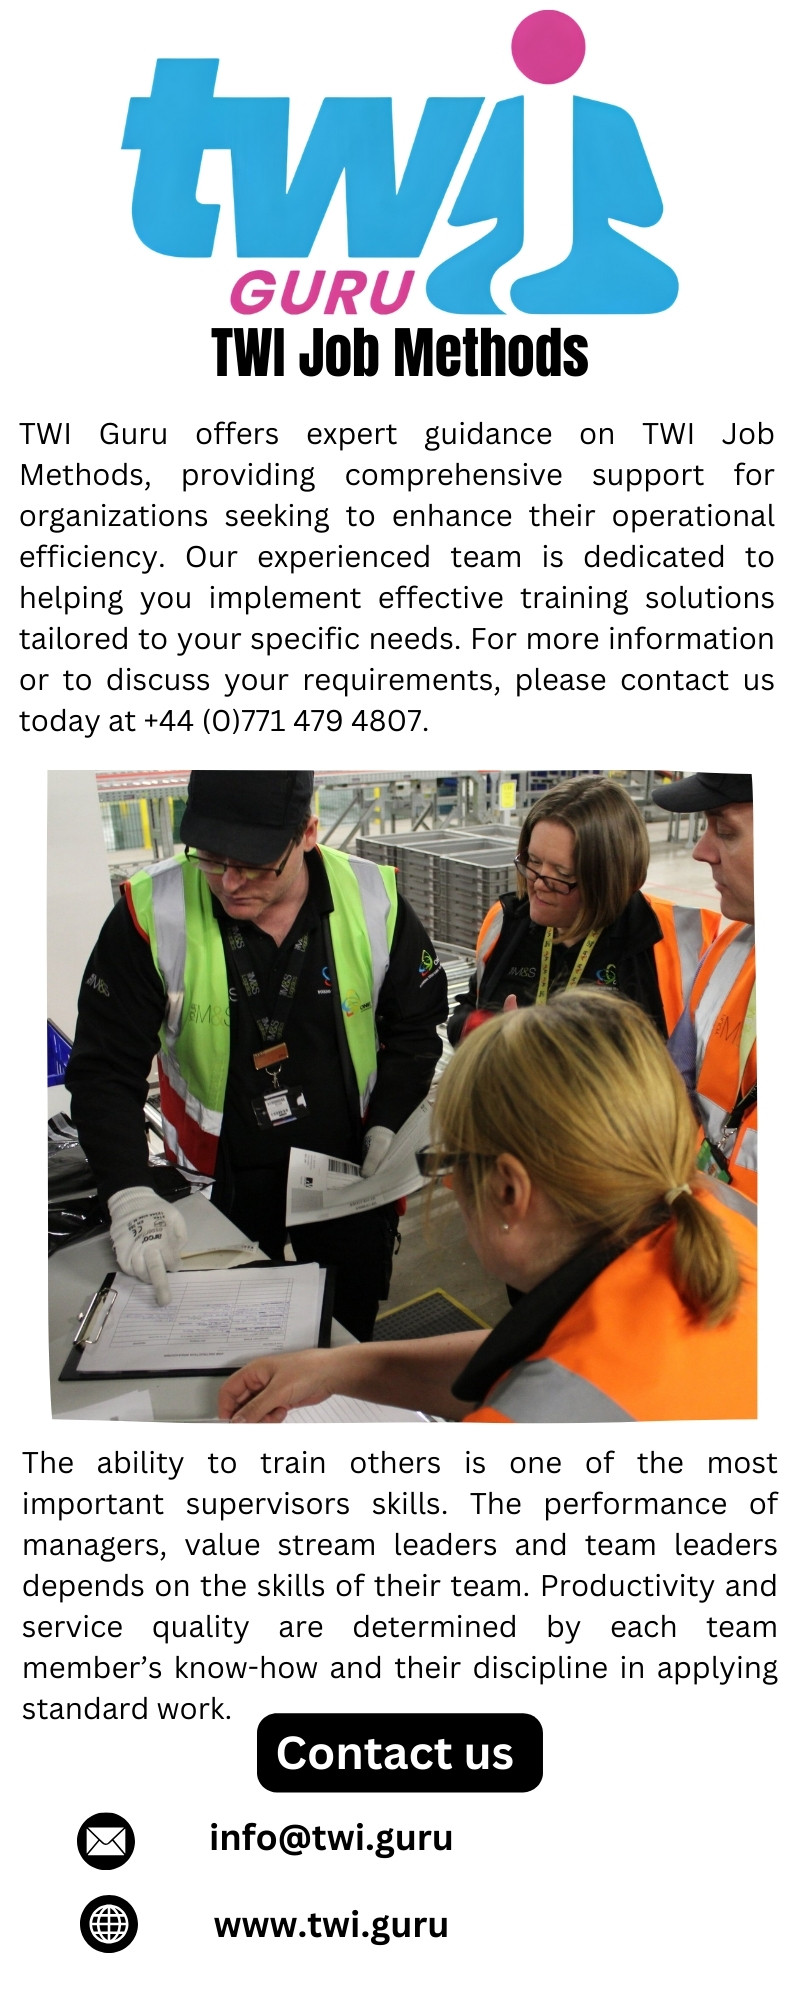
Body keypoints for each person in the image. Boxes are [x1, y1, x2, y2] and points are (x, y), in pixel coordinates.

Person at [218, 990, 756, 1424]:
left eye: (449, 1164)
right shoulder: (723, 1212)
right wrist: (338, 1368)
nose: (450, 1187)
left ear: (508, 1191)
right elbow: (545, 1352)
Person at [66, 770, 448, 1339]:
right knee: (221, 1342)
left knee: (345, 1338)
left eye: (254, 863)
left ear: (308, 833)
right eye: (211, 859)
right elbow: (104, 1070)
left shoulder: (374, 899)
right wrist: (128, 1190)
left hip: (349, 1174)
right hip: (216, 1183)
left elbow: (416, 1028)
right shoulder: (153, 912)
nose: (230, 882)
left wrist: (388, 1121)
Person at [447, 774, 710, 1046]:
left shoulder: (679, 943)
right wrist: (483, 1031)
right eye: (533, 861)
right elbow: (471, 1003)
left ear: (613, 880)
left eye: (562, 874)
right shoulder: (505, 921)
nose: (538, 884)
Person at [651, 773, 756, 1210]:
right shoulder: (728, 950)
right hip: (707, 1227)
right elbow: (677, 1083)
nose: (701, 851)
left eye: (726, 831)